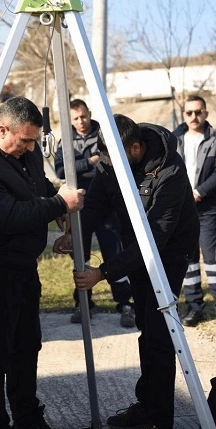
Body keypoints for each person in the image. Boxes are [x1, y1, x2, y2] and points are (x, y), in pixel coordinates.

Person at [0, 97, 85, 429]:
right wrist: (58, 204)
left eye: (34, 141)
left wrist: (57, 205)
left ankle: (28, 416)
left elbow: (36, 187)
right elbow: (7, 216)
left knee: (27, 346)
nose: (30, 148)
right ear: (1, 128)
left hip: (22, 266)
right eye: (24, 140)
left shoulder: (26, 150)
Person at [61, 115, 199, 429]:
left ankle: (159, 418)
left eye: (113, 157)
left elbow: (154, 241)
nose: (107, 164)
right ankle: (147, 406)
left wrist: (103, 273)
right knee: (145, 327)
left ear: (135, 148)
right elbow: (95, 205)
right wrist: (75, 236)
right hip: (136, 245)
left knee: (159, 332)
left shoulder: (171, 172)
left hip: (169, 251)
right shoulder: (111, 158)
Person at [53, 99, 134, 328]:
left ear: (89, 113)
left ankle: (125, 303)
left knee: (113, 252)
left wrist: (81, 165)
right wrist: (91, 161)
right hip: (78, 207)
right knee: (81, 255)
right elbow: (61, 169)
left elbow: (111, 163)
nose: (81, 121)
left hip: (106, 205)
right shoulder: (66, 140)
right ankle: (83, 303)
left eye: (83, 116)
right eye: (76, 118)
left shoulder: (103, 133)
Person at [172, 95, 216, 334]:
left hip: (207, 209)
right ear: (184, 114)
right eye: (189, 113)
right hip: (181, 210)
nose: (194, 117)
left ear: (206, 113)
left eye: (198, 112)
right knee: (188, 261)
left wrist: (198, 192)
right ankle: (195, 307)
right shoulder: (174, 139)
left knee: (214, 262)